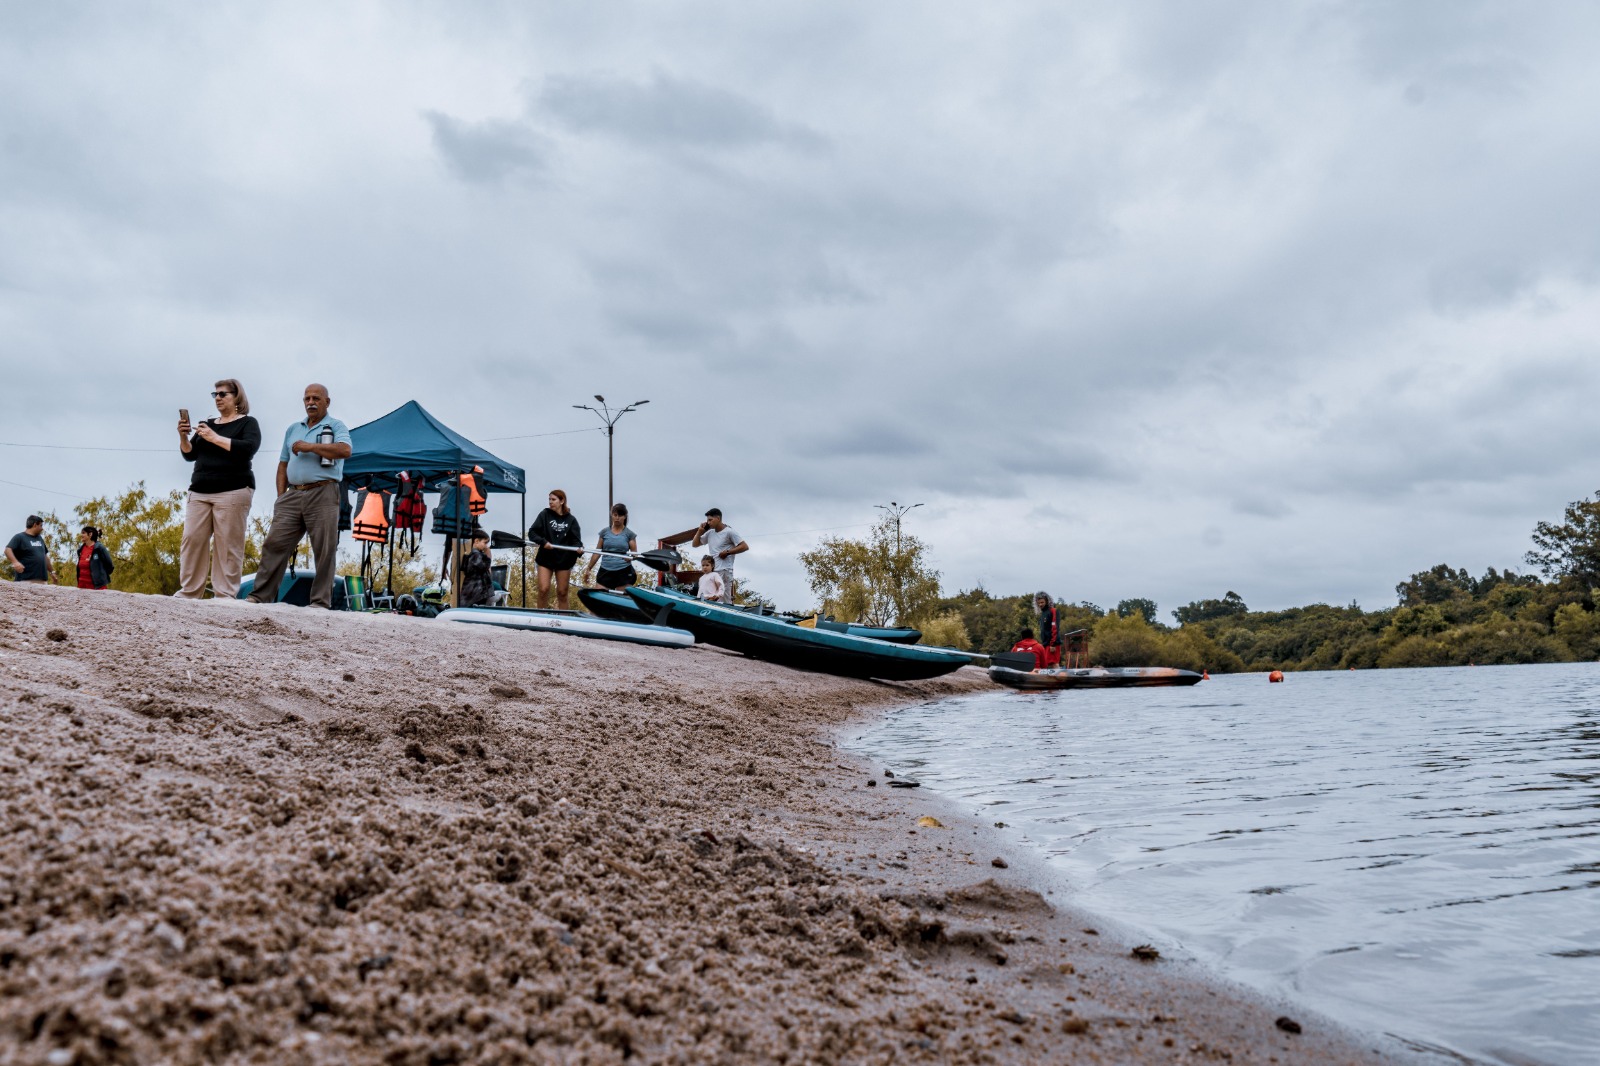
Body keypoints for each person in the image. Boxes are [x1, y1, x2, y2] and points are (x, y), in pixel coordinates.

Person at [246, 383, 352, 609]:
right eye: (307, 399)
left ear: (327, 402)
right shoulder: (293, 428)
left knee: (324, 549)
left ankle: (319, 602)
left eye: (316, 398)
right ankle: (259, 596)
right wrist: (280, 497)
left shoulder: (335, 425)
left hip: (323, 490)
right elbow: (283, 464)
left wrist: (310, 447)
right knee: (274, 543)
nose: (311, 402)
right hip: (293, 494)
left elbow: (345, 450)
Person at [176, 378, 261, 599]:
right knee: (192, 540)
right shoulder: (207, 424)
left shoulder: (247, 423)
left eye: (223, 394)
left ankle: (224, 596)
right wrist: (183, 436)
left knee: (228, 545)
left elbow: (248, 449)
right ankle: (189, 592)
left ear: (237, 397)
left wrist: (215, 438)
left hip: (233, 490)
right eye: (216, 395)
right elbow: (189, 454)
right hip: (200, 490)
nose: (218, 399)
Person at [527, 489, 581, 610]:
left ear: (562, 501)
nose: (550, 502)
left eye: (553, 499)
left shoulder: (571, 520)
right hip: (545, 558)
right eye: (549, 499)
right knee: (543, 589)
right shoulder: (544, 514)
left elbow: (576, 541)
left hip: (564, 560)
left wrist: (578, 549)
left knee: (562, 592)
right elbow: (532, 532)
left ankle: (564, 621)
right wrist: (543, 542)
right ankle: (540, 619)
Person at [691, 507, 747, 604]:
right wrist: (700, 531)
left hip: (725, 570)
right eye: (707, 520)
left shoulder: (729, 531)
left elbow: (744, 546)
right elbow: (695, 544)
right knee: (712, 597)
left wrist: (728, 552)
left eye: (710, 520)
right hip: (713, 571)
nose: (708, 522)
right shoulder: (710, 533)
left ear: (718, 518)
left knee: (724, 599)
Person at [582, 503, 637, 590]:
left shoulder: (629, 534)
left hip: (623, 571)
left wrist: (631, 557)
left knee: (621, 600)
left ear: (625, 516)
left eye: (620, 515)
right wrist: (589, 568)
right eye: (615, 515)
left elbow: (635, 554)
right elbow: (597, 552)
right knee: (599, 598)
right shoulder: (604, 532)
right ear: (612, 515)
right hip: (605, 570)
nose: (617, 518)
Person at [6, 516, 56, 584]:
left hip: (42, 580)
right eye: (40, 525)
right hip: (25, 580)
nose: (42, 528)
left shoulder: (39, 538)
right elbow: (8, 550)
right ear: (35, 525)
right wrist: (15, 562)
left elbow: (45, 557)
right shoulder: (19, 537)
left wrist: (52, 572)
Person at [458, 531, 495, 608]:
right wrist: (488, 556)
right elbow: (484, 566)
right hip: (477, 591)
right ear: (476, 541)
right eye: (485, 543)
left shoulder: (472, 555)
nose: (486, 546)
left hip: (472, 590)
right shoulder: (476, 555)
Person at [1035, 591, 1062, 668]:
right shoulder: (1043, 613)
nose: (1040, 604)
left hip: (1052, 643)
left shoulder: (1053, 611)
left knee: (1054, 663)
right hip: (1045, 643)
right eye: (1039, 603)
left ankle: (1059, 679)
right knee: (1045, 664)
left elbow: (1055, 627)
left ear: (1047, 601)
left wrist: (1053, 644)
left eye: (1042, 602)